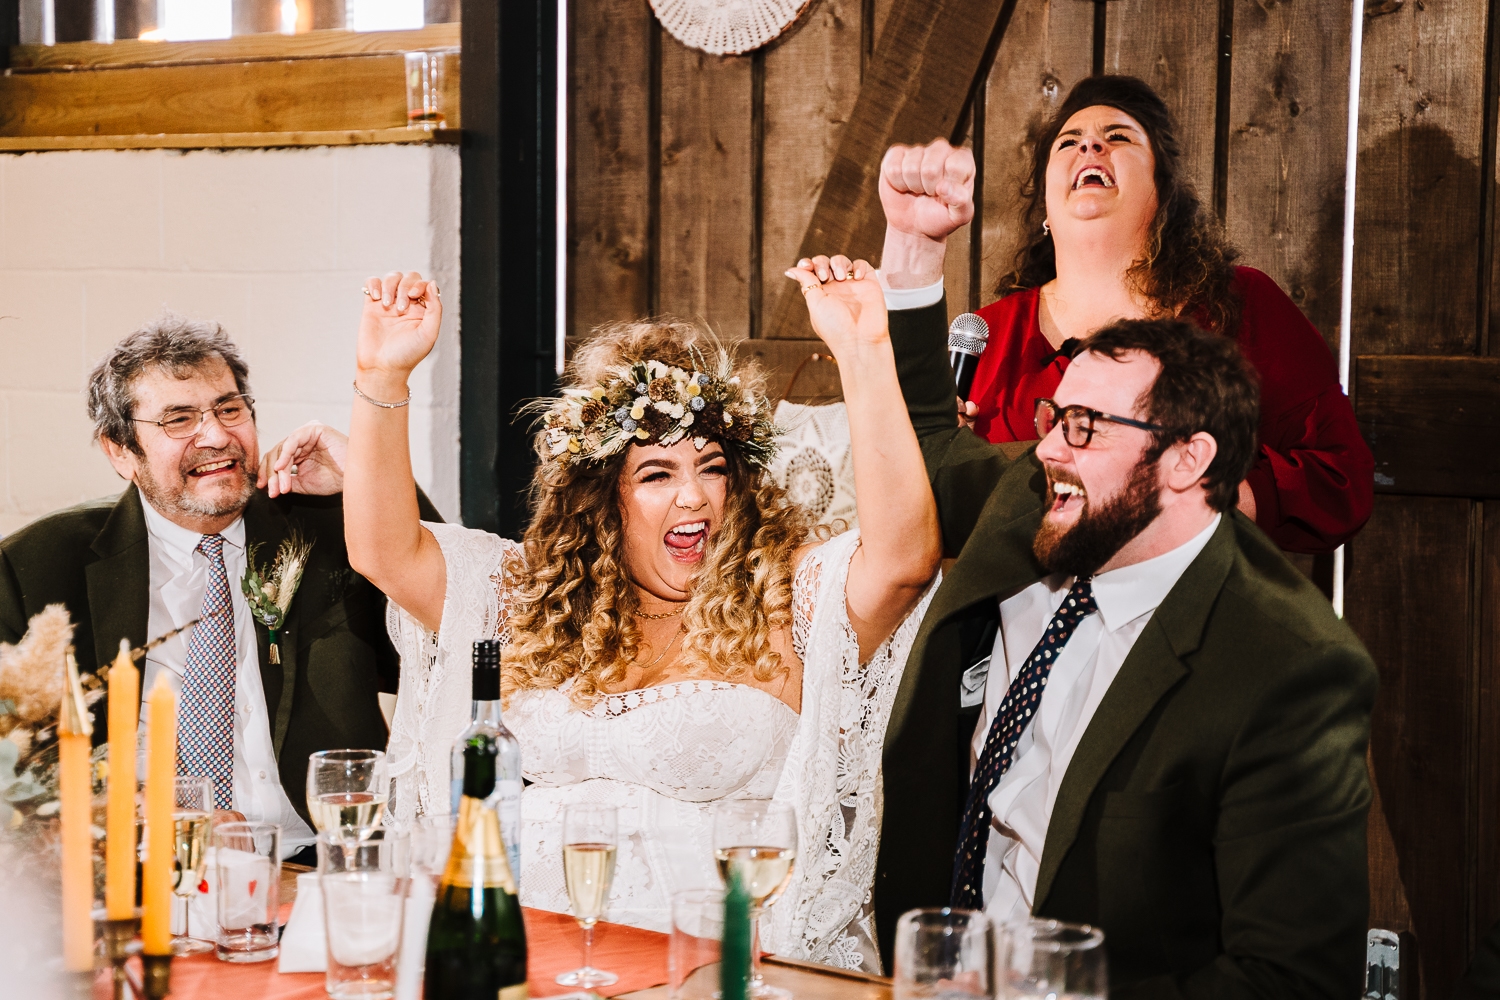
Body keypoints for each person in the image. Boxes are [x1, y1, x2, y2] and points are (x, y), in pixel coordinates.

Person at [798, 255, 1375, 995]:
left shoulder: (1291, 669)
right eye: (1054, 416)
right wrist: (873, 332)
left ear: (1187, 459)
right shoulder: (1035, 500)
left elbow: (1291, 978)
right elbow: (933, 453)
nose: (1046, 448)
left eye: (1084, 427)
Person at [329, 269, 939, 968]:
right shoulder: (537, 597)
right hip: (534, 959)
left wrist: (865, 352)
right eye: (657, 474)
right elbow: (384, 552)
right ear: (601, 499)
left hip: (709, 966)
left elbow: (904, 561)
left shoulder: (786, 595)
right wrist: (383, 374)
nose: (694, 497)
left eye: (712, 468)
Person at [870, 74, 1373, 554]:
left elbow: (1339, 480)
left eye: (1118, 137)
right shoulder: (992, 333)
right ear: (1045, 205)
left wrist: (1188, 496)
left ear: (1163, 190)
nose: (1090, 145)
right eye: (1068, 142)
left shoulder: (1237, 304)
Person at [0, 314, 439, 862]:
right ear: (120, 451)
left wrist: (368, 480)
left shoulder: (333, 526)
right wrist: (128, 809)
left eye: (229, 409)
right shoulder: (36, 567)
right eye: (179, 419)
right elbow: (13, 770)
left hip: (329, 858)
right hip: (143, 869)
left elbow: (461, 629)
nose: (216, 436)